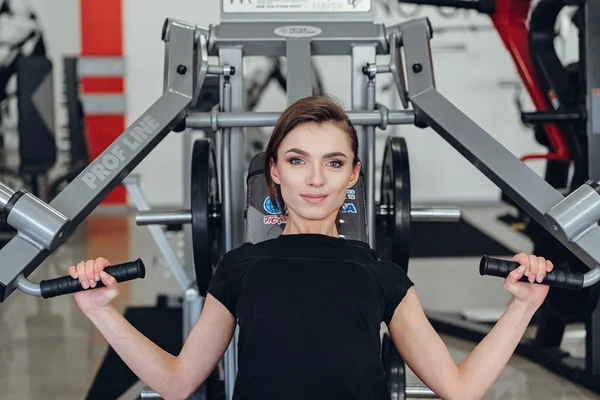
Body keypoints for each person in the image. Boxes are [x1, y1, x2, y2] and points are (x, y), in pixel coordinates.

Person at [71, 95, 554, 400]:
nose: (317, 179)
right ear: (275, 170)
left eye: (334, 162)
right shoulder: (240, 267)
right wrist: (100, 312)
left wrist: (523, 307)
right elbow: (178, 383)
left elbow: (459, 388)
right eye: (298, 160)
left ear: (353, 175)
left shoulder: (381, 275)